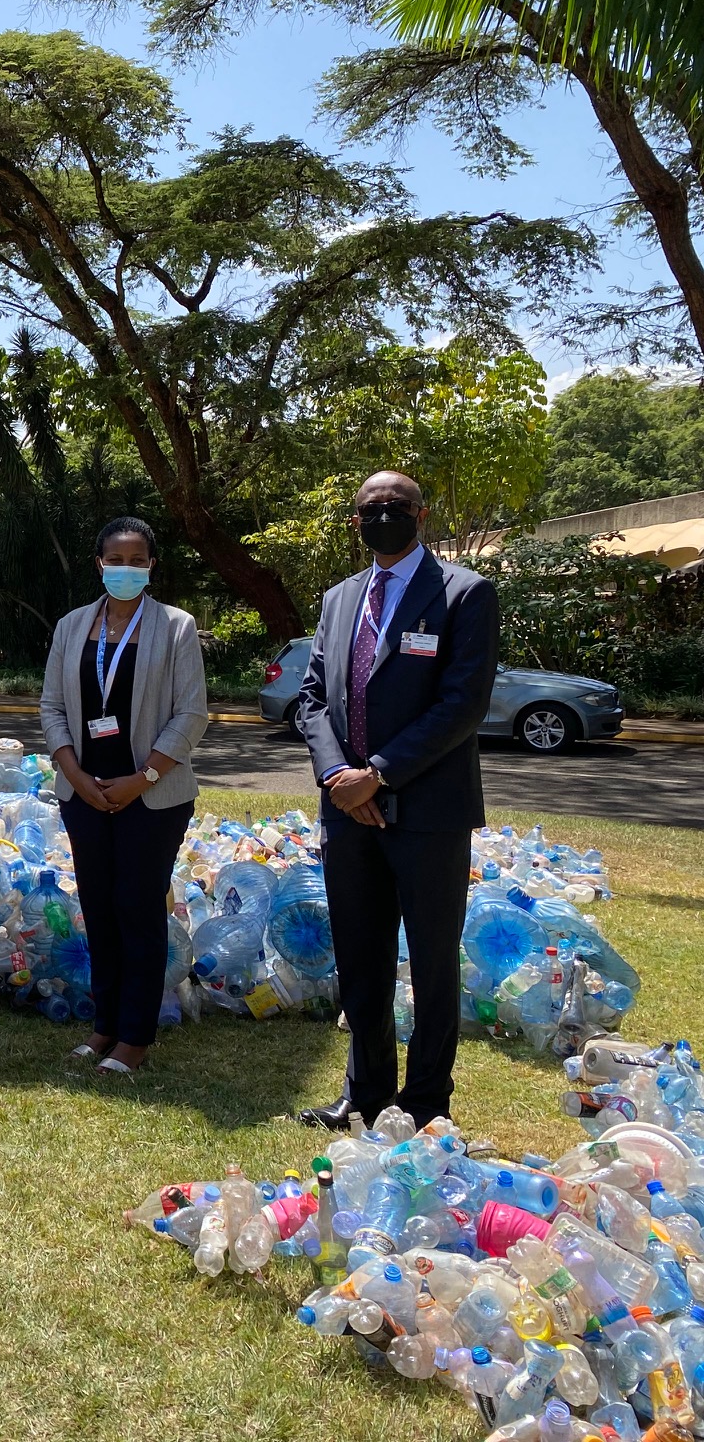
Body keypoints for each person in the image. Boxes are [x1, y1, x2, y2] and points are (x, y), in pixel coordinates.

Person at [296, 471, 499, 1129]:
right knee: (362, 956)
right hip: (347, 813)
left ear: (421, 513)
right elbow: (311, 697)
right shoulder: (338, 598)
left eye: (396, 507)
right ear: (354, 522)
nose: (382, 517)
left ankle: (426, 1105)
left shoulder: (465, 593)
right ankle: (367, 1094)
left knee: (434, 961)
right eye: (369, 510)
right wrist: (338, 777)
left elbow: (461, 705)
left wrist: (376, 775)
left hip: (428, 813)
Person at [37, 518, 207, 1075]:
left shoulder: (176, 629)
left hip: (152, 795)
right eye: (117, 558)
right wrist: (75, 774)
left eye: (138, 559)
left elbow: (191, 714)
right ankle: (104, 1024)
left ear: (152, 565)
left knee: (137, 908)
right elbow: (52, 708)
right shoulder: (71, 626)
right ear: (99, 563)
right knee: (100, 908)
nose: (126, 568)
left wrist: (143, 778)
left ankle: (135, 1036)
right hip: (83, 791)